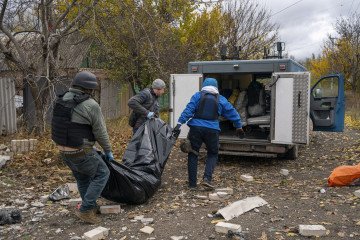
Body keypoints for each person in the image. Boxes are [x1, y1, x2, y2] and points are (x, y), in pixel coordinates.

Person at [51, 71, 113, 224]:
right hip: (80, 151)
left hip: (63, 150)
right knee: (102, 173)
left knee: (83, 177)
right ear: (89, 89)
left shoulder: (62, 99)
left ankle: (89, 205)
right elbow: (100, 132)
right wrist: (108, 150)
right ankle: (85, 210)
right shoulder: (91, 105)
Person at [173, 78, 243, 190]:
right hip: (212, 130)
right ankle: (207, 179)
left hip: (196, 128)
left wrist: (179, 123)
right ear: (216, 87)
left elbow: (188, 110)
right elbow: (232, 112)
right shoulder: (221, 99)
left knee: (193, 153)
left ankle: (192, 184)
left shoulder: (197, 96)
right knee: (213, 153)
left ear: (204, 86)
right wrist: (238, 126)